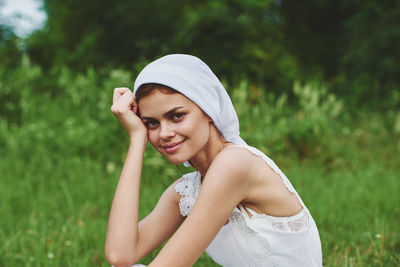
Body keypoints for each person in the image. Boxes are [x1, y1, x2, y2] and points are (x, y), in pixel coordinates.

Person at [105, 54, 322, 267]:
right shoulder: (186, 191)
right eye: (152, 123)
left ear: (208, 110)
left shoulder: (235, 163)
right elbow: (120, 256)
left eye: (176, 116)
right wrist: (136, 139)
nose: (164, 133)